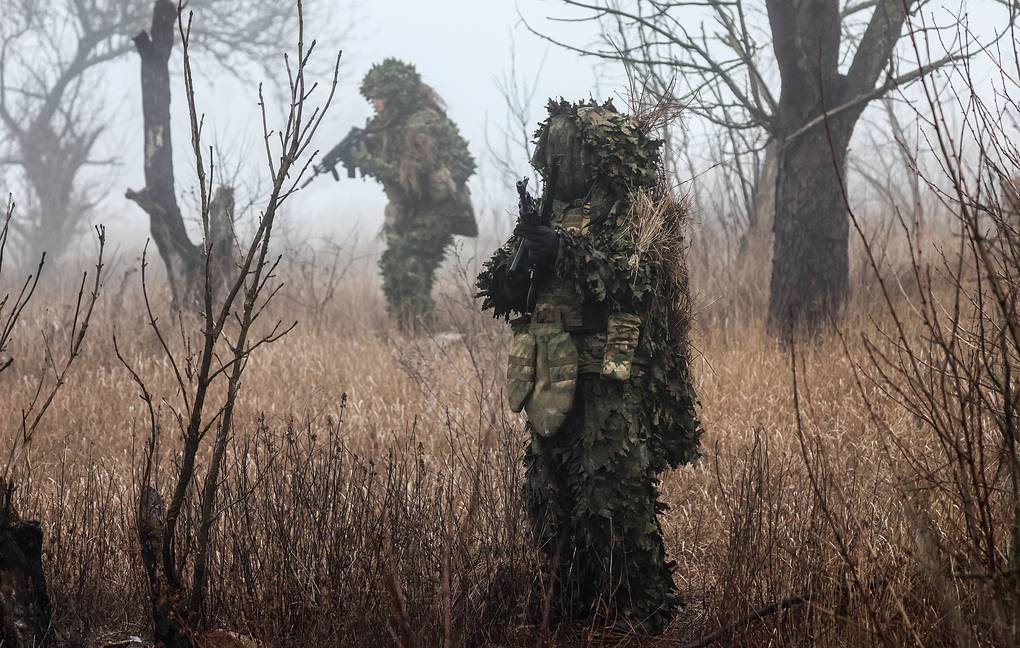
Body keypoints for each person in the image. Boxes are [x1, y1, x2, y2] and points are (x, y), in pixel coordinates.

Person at [476, 99, 702, 633]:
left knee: (612, 491)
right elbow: (501, 292)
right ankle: (572, 609)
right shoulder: (547, 213)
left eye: (567, 150)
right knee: (548, 494)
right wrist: (526, 261)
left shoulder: (635, 208)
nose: (558, 160)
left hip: (608, 372)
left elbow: (634, 277)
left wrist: (565, 253)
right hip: (549, 371)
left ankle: (638, 613)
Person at [345, 58, 477, 330]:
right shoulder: (394, 125)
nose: (374, 103)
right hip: (416, 208)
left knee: (411, 260)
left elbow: (412, 177)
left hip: (441, 207)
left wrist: (367, 161)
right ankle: (406, 330)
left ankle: (421, 333)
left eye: (379, 97)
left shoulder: (421, 123)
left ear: (395, 96)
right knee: (395, 262)